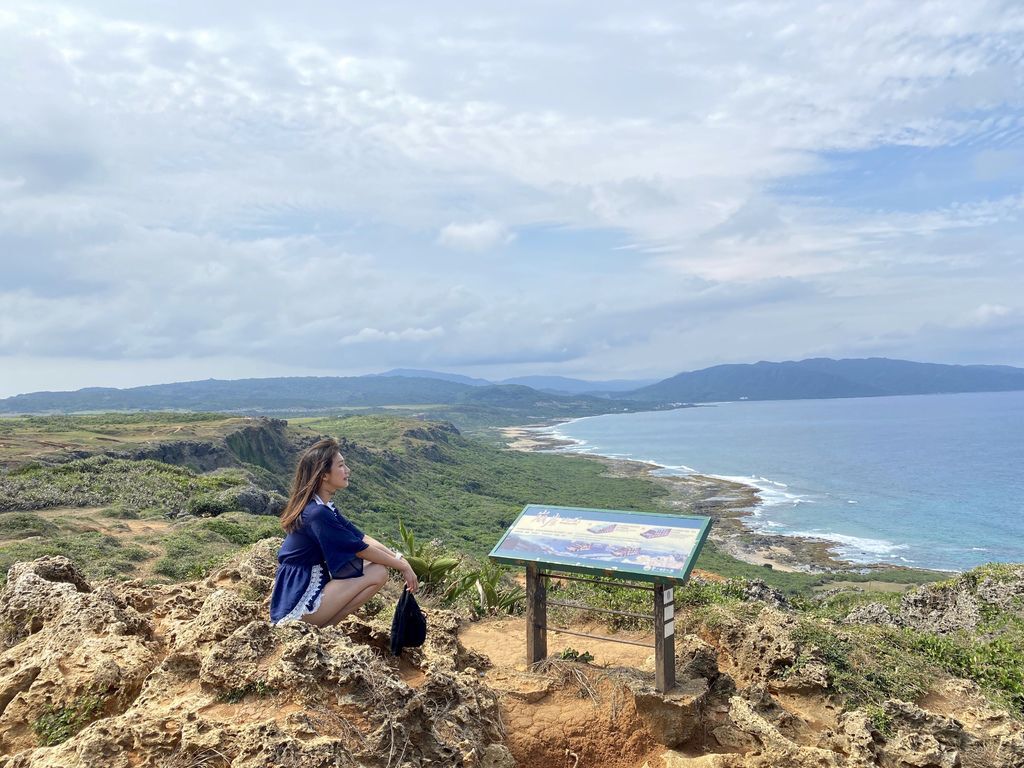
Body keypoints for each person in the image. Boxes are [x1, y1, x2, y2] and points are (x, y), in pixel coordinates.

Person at [269, 438, 418, 626]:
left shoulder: (322, 507)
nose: (348, 470)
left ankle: (323, 631)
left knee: (377, 569)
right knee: (377, 572)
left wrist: (400, 559)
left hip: (301, 591)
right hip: (297, 606)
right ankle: (321, 629)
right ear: (324, 475)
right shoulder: (317, 514)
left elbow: (362, 538)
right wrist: (402, 567)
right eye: (341, 465)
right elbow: (361, 549)